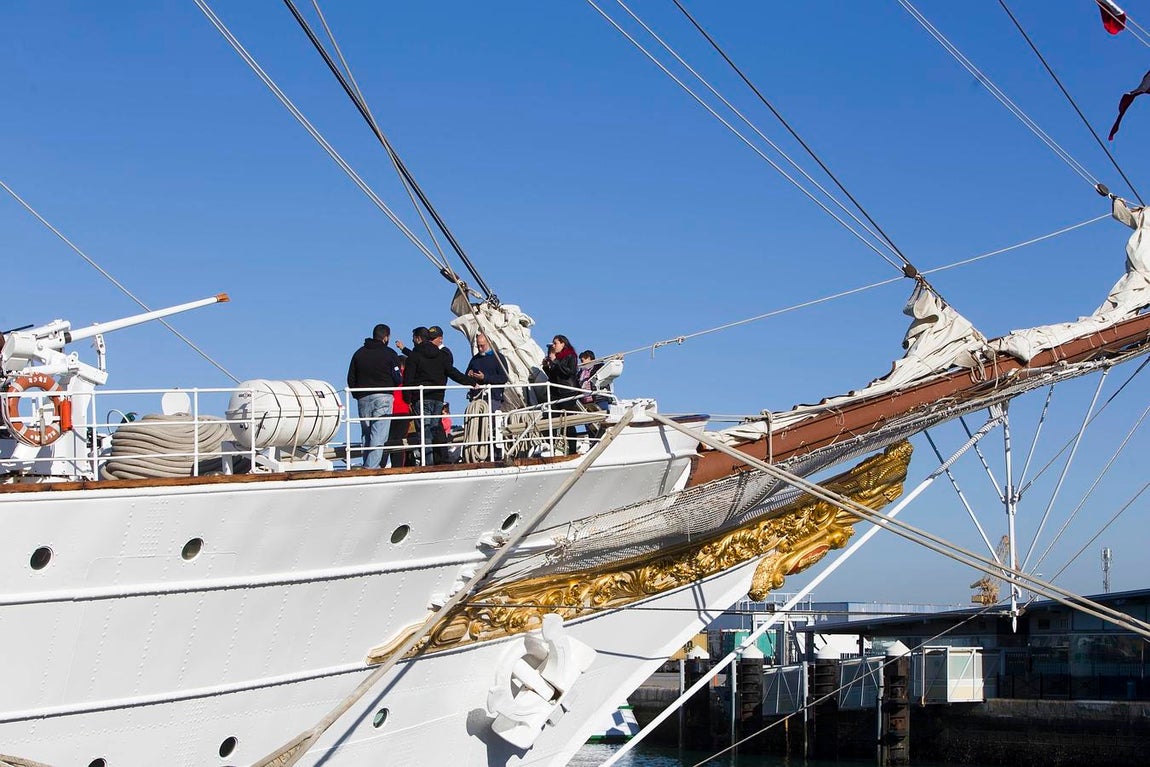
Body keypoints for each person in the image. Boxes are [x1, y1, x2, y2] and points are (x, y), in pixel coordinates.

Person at [396, 325, 472, 466]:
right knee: (434, 429)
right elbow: (453, 372)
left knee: (425, 434)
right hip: (437, 398)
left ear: (419, 339)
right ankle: (438, 460)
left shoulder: (415, 355)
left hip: (421, 398)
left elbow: (408, 378)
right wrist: (471, 382)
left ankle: (428, 464)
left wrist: (408, 398)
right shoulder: (441, 356)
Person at [346, 323, 401, 469]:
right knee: (379, 435)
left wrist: (357, 394)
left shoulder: (359, 353)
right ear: (386, 337)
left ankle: (368, 464)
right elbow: (397, 377)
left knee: (367, 434)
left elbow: (351, 378)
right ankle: (370, 468)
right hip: (383, 396)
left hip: (363, 398)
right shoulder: (390, 353)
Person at [541, 334, 579, 453]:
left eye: (555, 343)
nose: (554, 346)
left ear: (563, 344)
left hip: (568, 392)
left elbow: (569, 372)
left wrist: (555, 361)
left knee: (568, 421)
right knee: (550, 418)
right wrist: (546, 366)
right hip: (556, 392)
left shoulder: (570, 356)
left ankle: (572, 449)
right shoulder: (556, 357)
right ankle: (551, 445)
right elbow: (552, 376)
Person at [465, 333, 509, 411]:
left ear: (489, 343)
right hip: (476, 398)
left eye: (482, 345)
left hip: (493, 397)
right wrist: (469, 375)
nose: (480, 348)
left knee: (490, 421)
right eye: (478, 346)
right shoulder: (474, 359)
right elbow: (465, 376)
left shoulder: (499, 358)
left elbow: (504, 378)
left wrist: (485, 378)